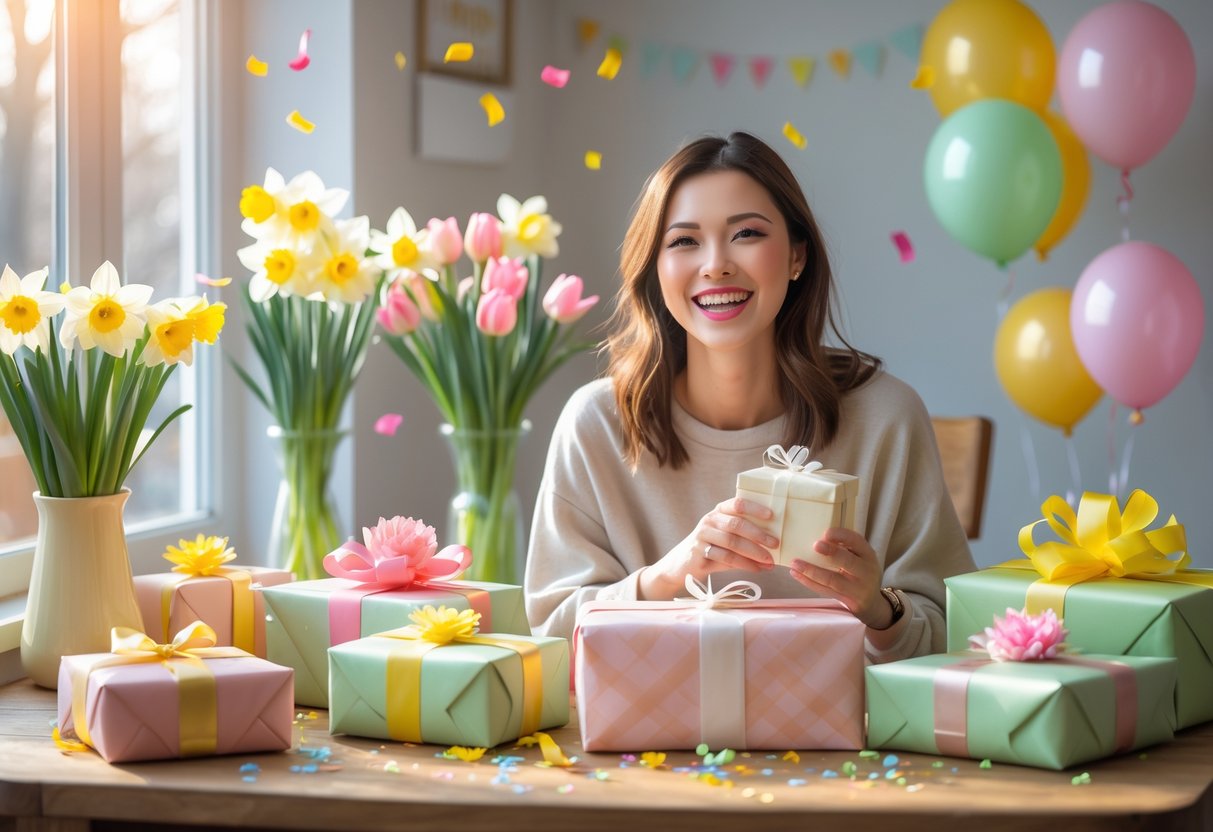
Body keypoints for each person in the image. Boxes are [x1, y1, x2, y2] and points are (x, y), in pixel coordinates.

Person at [524, 131, 976, 662]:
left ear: (796, 256)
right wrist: (667, 577)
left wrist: (877, 607)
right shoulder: (596, 425)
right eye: (684, 241)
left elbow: (953, 634)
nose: (715, 264)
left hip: (853, 742)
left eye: (747, 234)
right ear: (656, 269)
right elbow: (552, 641)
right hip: (655, 742)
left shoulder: (886, 418)